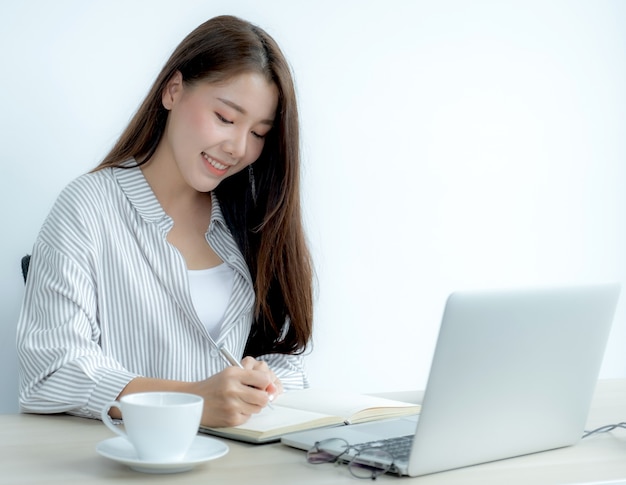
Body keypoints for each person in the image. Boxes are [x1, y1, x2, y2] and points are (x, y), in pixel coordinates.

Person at [16, 15, 314, 428]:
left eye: (259, 133)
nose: (239, 148)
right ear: (173, 90)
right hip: (118, 463)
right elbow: (51, 372)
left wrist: (264, 385)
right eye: (226, 118)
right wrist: (192, 400)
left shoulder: (248, 221)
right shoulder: (87, 209)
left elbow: (284, 360)